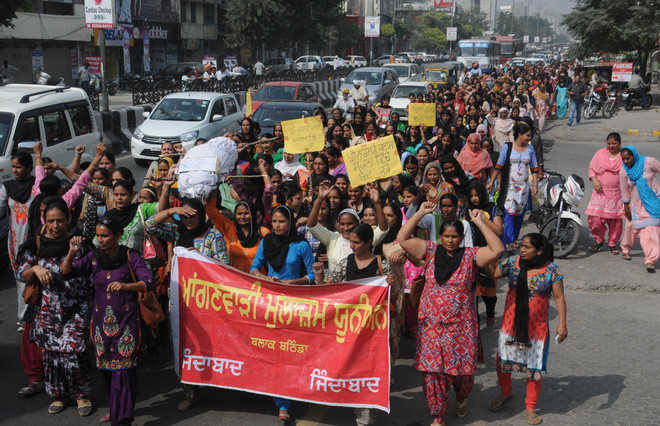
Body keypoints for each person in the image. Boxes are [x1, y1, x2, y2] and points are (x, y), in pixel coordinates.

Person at [397, 202, 504, 426]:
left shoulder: (471, 255)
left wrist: (480, 222)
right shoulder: (429, 250)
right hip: (431, 327)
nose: (450, 240)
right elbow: (403, 239)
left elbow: (497, 250)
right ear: (441, 237)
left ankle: (462, 398)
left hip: (460, 328)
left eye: (455, 236)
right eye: (446, 236)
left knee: (462, 375)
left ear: (461, 237)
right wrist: (420, 213)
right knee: (432, 374)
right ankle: (438, 416)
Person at [61, 215, 154, 426]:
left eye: (105, 236)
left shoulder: (130, 256)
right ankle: (116, 409)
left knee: (122, 372)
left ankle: (121, 419)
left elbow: (148, 281)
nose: (100, 240)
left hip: (126, 324)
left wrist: (127, 286)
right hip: (101, 324)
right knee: (107, 371)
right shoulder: (94, 258)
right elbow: (67, 271)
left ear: (117, 236)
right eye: (98, 236)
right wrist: (71, 253)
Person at [146, 198, 229, 410]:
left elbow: (223, 268)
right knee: (181, 343)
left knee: (206, 343)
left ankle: (216, 379)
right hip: (179, 299)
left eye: (192, 215)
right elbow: (149, 225)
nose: (189, 220)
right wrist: (172, 210)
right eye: (184, 216)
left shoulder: (213, 236)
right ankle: (190, 390)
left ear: (201, 215)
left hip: (205, 302)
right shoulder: (176, 232)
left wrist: (198, 259)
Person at [17, 198, 93, 416]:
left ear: (68, 219)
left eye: (60, 220)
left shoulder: (81, 243)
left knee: (75, 353)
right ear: (44, 221)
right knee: (52, 356)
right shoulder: (35, 245)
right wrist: (35, 270)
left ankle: (81, 395)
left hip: (76, 308)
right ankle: (59, 396)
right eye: (51, 221)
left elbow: (89, 272)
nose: (56, 225)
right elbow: (21, 272)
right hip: (47, 311)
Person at [489, 233, 567, 425]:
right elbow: (494, 274)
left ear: (539, 250)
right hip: (510, 325)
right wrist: (493, 253)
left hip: (536, 329)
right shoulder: (513, 262)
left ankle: (530, 407)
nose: (522, 250)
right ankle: (506, 393)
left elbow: (558, 297)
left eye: (527, 247)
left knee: (534, 368)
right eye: (521, 246)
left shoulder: (551, 269)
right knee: (503, 361)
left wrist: (562, 324)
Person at [249, 205, 314, 422]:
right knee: (272, 352)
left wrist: (293, 282)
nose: (277, 225)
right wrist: (266, 278)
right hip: (270, 304)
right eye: (274, 221)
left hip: (294, 305)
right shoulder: (266, 243)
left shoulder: (301, 245)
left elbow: (312, 276)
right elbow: (254, 268)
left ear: (290, 223)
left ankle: (287, 400)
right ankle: (279, 398)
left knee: (289, 353)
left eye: (282, 221)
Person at [0, 143, 45, 397]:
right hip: (14, 241)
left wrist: (39, 157)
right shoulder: (6, 188)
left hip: (30, 240)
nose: (16, 171)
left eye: (20, 167)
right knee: (19, 279)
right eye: (13, 167)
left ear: (29, 168)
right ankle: (23, 319)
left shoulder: (35, 190)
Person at [308, 182, 388, 281]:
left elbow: (383, 229)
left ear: (358, 223)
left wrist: (377, 203)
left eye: (350, 224)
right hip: (336, 288)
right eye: (342, 224)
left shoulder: (365, 237)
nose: (346, 228)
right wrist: (319, 199)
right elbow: (312, 226)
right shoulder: (332, 238)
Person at [490, 122, 539, 249]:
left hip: (524, 189)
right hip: (509, 188)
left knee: (519, 215)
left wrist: (535, 185)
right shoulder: (508, 147)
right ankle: (509, 242)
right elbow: (499, 166)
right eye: (527, 135)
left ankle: (513, 239)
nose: (529, 138)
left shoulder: (530, 149)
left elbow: (534, 168)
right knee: (510, 214)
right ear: (520, 134)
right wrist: (491, 182)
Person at [206, 191, 270, 273]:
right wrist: (215, 186)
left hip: (258, 281)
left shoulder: (263, 232)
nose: (242, 217)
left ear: (253, 214)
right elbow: (211, 210)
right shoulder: (229, 228)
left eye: (246, 213)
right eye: (239, 214)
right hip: (235, 281)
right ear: (235, 215)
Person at [620, 146, 660, 273]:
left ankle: (650, 260)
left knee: (651, 231)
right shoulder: (624, 172)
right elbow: (624, 190)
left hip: (652, 202)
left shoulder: (648, 162)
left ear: (634, 155)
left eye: (628, 158)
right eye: (623, 159)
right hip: (634, 204)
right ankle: (625, 249)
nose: (626, 161)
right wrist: (626, 205)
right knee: (630, 228)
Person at [586, 133, 624, 254]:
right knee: (595, 219)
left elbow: (632, 169)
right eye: (609, 143)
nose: (611, 146)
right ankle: (599, 240)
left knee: (615, 221)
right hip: (600, 193)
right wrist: (595, 180)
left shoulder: (624, 155)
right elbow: (591, 169)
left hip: (616, 194)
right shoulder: (600, 154)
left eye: (614, 143)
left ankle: (613, 243)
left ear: (619, 143)